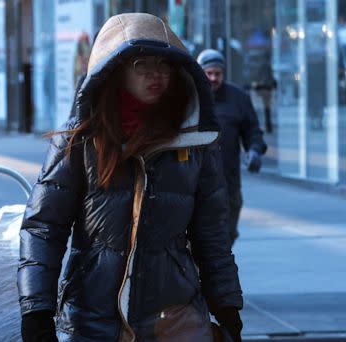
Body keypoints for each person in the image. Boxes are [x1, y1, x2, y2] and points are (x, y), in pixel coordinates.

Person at [18, 13, 243, 342]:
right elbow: (43, 227)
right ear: (115, 70)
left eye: (164, 64)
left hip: (175, 318)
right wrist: (36, 310)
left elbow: (212, 235)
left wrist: (226, 305)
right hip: (93, 318)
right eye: (141, 63)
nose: (156, 73)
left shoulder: (196, 141)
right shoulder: (79, 139)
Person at [197, 49, 267, 246]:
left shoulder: (238, 98)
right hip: (195, 184)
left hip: (229, 185)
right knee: (200, 243)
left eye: (217, 74)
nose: (213, 78)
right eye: (208, 73)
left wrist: (254, 150)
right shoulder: (190, 97)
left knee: (226, 238)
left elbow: (253, 130)